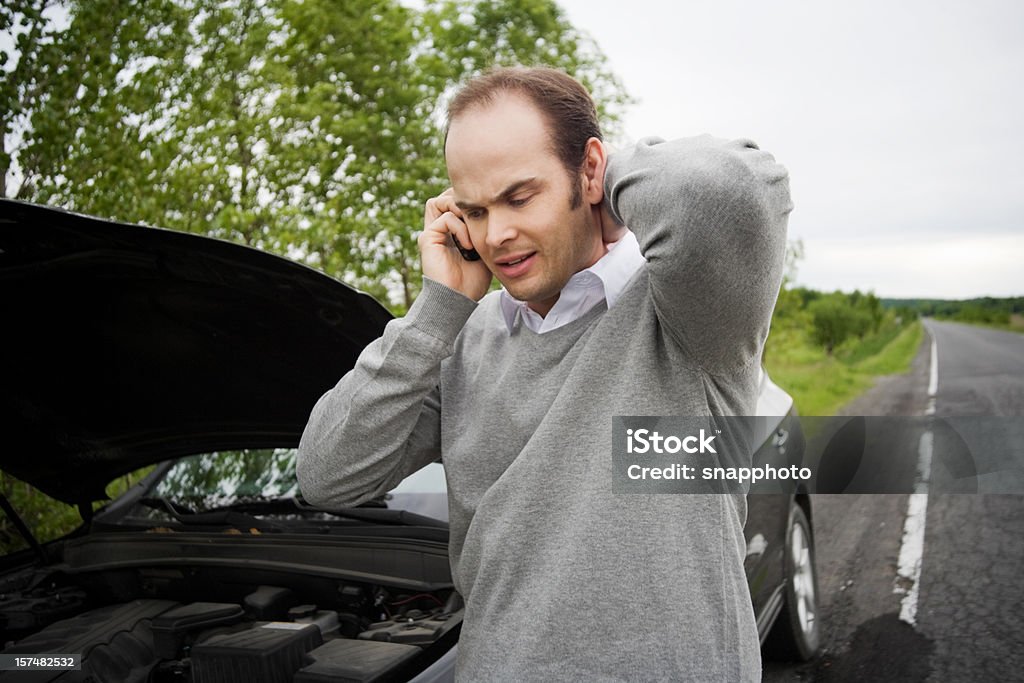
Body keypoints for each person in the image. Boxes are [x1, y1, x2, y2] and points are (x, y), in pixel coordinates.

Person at [297, 65, 791, 681]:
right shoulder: (458, 344)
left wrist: (608, 187)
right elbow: (327, 476)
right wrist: (434, 313)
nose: (498, 235)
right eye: (474, 210)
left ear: (587, 170)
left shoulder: (686, 315)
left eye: (519, 196)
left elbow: (725, 188)